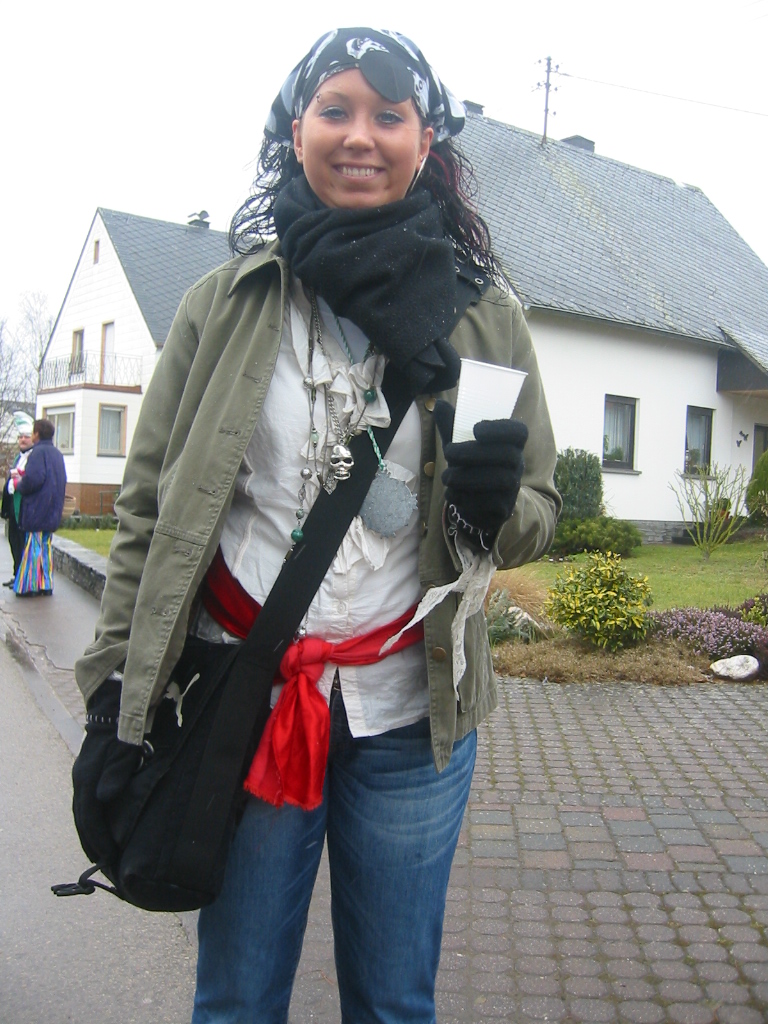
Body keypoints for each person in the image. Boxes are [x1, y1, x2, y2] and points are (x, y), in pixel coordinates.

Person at [74, 27, 561, 1024]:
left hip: (412, 715)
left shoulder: (485, 318)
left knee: (392, 1002)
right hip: (242, 699)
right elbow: (149, 508)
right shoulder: (227, 303)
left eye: (390, 115)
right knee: (238, 996)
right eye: (335, 110)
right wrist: (113, 687)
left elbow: (536, 517)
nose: (360, 136)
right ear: (295, 131)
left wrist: (491, 507)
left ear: (426, 142)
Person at [14, 418, 67, 596]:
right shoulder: (57, 454)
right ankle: (46, 583)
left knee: (33, 548)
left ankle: (28, 586)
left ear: (37, 433)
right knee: (46, 547)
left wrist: (20, 483)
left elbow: (34, 480)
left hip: (37, 509)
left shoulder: (37, 453)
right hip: (52, 509)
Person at [1, 411, 34, 586]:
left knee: (22, 543)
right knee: (13, 541)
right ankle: (17, 575)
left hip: (23, 508)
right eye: (20, 437)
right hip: (13, 509)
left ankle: (23, 578)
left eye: (26, 437)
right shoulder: (17, 458)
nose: (23, 440)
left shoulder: (33, 457)